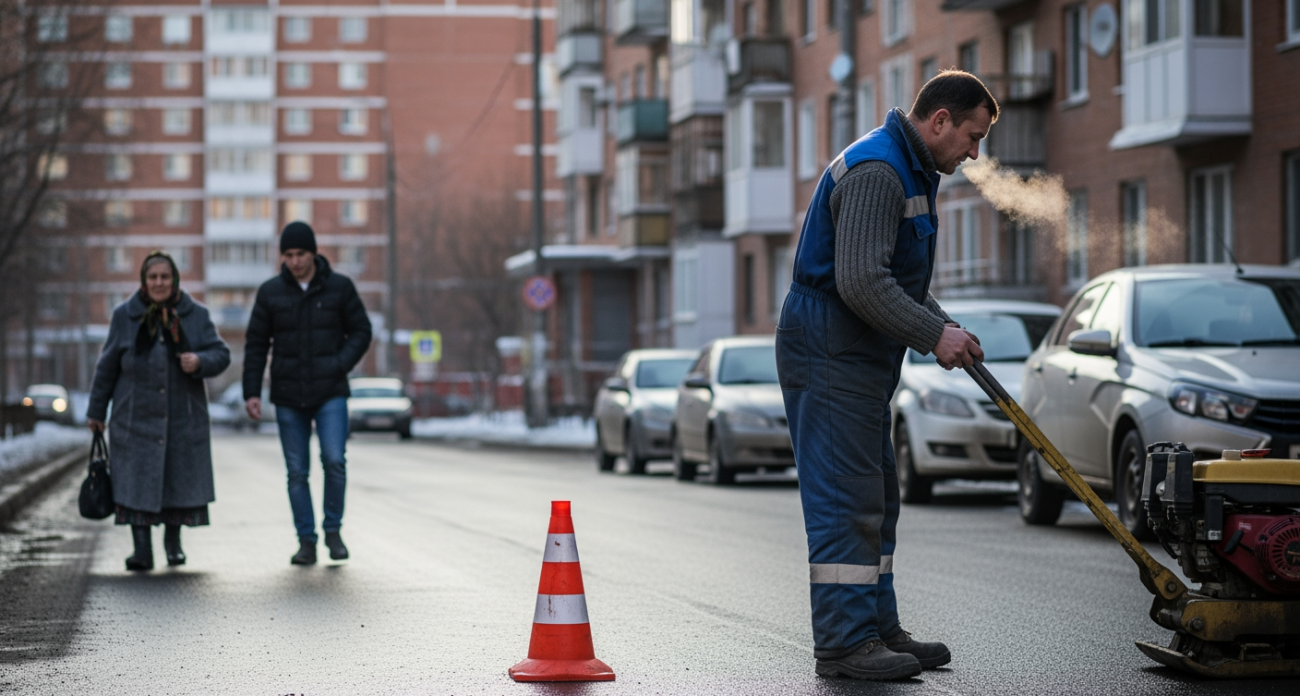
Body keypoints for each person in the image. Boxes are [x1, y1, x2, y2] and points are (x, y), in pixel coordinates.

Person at [775, 71, 995, 681]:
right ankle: (845, 645)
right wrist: (933, 337)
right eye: (972, 137)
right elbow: (862, 282)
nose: (974, 153)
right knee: (847, 499)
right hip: (829, 352)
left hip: (856, 357)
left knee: (877, 498)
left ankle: (876, 629)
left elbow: (898, 284)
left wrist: (947, 328)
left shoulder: (909, 167)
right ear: (940, 120)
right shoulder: (880, 172)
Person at [87, 251, 231, 571]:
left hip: (183, 418)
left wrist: (200, 361)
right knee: (136, 484)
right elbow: (107, 367)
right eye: (153, 277)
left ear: (175, 279)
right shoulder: (125, 316)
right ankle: (141, 550)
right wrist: (96, 412)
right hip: (134, 420)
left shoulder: (197, 315)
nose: (159, 283)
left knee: (176, 483)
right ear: (143, 281)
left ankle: (173, 542)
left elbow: (221, 354)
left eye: (165, 277)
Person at [244, 221, 372, 565]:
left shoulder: (340, 287)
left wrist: (338, 364)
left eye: (300, 253)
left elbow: (361, 330)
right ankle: (306, 541)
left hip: (330, 391)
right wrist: (251, 391)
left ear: (313, 252)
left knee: (334, 460)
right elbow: (256, 344)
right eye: (288, 255)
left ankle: (333, 530)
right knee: (297, 471)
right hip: (287, 394)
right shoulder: (270, 292)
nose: (295, 261)